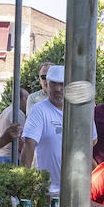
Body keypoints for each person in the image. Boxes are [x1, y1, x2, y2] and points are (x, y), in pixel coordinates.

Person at [21, 65, 70, 195]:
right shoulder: (39, 110)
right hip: (48, 191)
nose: (58, 89)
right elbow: (29, 145)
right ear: (46, 85)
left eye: (62, 84)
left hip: (74, 190)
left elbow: (92, 141)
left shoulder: (79, 110)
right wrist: (23, 184)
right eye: (53, 84)